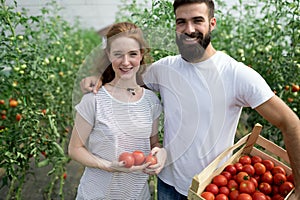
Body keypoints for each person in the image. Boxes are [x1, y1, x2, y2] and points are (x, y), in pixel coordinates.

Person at [80, 0, 300, 199]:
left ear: (212, 23)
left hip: (209, 189)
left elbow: (291, 123)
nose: (189, 29)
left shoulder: (237, 75)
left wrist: (298, 188)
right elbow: (124, 76)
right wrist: (98, 77)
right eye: (181, 22)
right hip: (166, 184)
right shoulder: (164, 68)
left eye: (197, 20)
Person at [69, 22, 166, 200]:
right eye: (118, 55)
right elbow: (75, 149)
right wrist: (109, 166)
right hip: (97, 194)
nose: (126, 62)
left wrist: (158, 154)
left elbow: (153, 144)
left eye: (133, 54)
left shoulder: (151, 101)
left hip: (137, 194)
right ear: (108, 55)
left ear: (141, 55)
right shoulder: (94, 100)